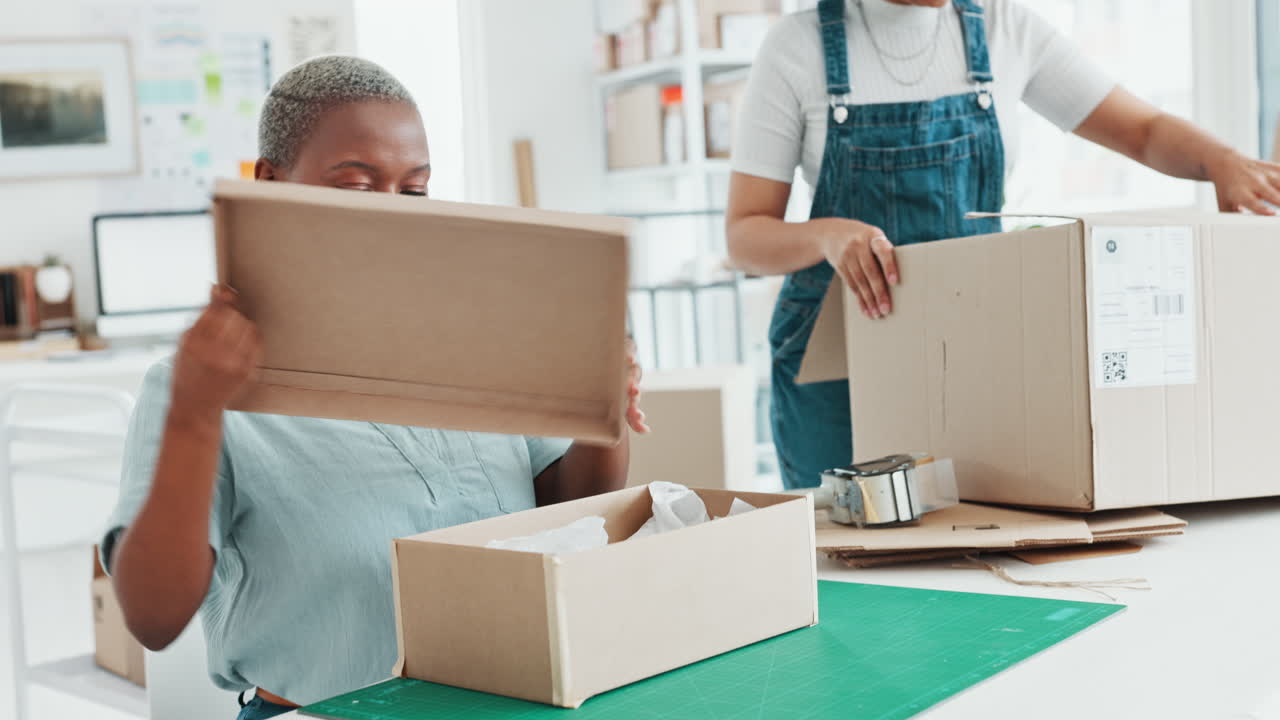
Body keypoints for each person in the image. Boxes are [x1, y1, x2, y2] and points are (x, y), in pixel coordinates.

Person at [101, 56, 649, 720]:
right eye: (359, 189)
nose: (395, 218)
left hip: (506, 701)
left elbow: (569, 513)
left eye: (413, 192)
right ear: (270, 185)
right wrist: (194, 413)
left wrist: (605, 410)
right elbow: (153, 619)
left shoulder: (476, 344)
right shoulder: (200, 384)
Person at [725, 0, 1280, 490]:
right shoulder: (798, 47)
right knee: (850, 566)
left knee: (974, 549)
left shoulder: (1004, 26)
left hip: (969, 350)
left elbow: (1143, 130)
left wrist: (1222, 164)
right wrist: (826, 233)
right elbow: (745, 235)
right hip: (836, 365)